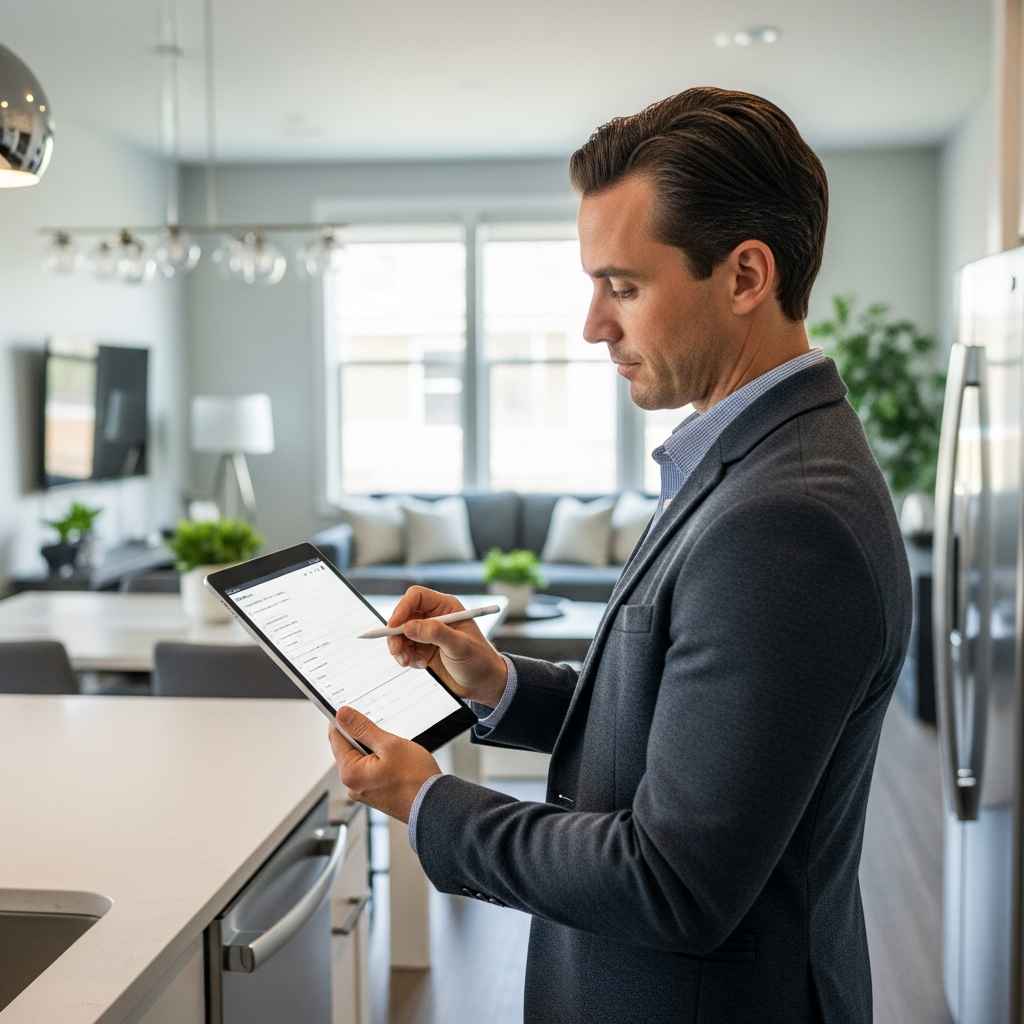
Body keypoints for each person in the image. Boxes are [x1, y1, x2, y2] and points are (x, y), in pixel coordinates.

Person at [329, 87, 912, 1024]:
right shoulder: (753, 459)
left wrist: (429, 805)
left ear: (745, 275)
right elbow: (684, 720)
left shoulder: (787, 519)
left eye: (624, 286)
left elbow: (671, 881)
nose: (595, 326)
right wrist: (496, 682)